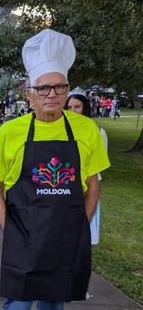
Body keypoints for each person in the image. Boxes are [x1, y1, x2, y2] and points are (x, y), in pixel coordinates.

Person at [0, 29, 110, 310]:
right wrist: (10, 229)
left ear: (68, 89)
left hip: (65, 239)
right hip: (24, 241)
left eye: (59, 87)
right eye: (44, 88)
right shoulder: (10, 133)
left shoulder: (86, 131)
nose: (52, 95)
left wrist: (79, 226)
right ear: (30, 93)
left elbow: (92, 185)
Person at [66, 93, 107, 246]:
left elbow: (98, 164)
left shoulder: (97, 132)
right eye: (69, 107)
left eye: (77, 107)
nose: (73, 111)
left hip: (88, 184)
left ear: (85, 108)